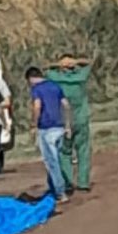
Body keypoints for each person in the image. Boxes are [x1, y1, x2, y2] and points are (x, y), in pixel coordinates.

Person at [45, 55, 92, 193]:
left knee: (65, 152)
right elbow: (89, 63)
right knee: (83, 151)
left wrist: (59, 64)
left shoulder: (54, 78)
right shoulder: (81, 76)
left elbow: (45, 68)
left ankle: (68, 182)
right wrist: (75, 62)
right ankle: (83, 182)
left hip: (63, 120)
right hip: (81, 118)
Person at [25, 66, 72, 203]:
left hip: (46, 128)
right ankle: (53, 188)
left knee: (52, 162)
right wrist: (67, 125)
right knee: (55, 159)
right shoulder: (55, 86)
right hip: (59, 127)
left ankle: (60, 192)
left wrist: (34, 124)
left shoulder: (37, 90)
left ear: (31, 79)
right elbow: (66, 105)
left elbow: (37, 107)